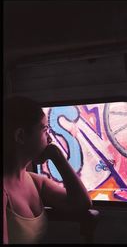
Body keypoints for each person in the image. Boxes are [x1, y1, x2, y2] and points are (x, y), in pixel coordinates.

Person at [3, 96, 92, 244]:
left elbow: (81, 203)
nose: (49, 138)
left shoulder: (35, 182)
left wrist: (57, 157)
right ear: (20, 136)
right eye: (44, 130)